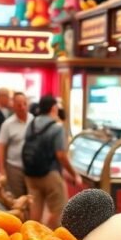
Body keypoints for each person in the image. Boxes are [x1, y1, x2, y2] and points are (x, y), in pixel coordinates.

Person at [23, 95, 82, 227]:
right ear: (54, 108)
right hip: (49, 174)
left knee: (35, 210)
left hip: (30, 173)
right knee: (60, 210)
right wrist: (74, 174)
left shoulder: (31, 123)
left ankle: (33, 237)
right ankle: (48, 237)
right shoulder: (57, 127)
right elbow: (61, 155)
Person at [0, 92, 32, 199]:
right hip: (14, 168)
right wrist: (1, 170)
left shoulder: (34, 120)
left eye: (24, 104)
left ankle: (30, 216)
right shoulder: (7, 124)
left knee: (32, 199)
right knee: (17, 200)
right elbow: (1, 147)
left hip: (31, 169)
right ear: (14, 106)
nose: (22, 107)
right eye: (19, 104)